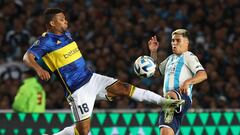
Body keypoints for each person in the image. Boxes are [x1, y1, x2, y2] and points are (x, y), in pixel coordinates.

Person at [23, 8, 184, 135]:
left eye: (65, 18)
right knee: (83, 131)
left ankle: (166, 102)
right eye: (61, 19)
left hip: (91, 78)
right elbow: (27, 56)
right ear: (52, 23)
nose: (66, 21)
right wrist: (38, 69)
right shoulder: (45, 41)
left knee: (124, 88)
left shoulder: (66, 34)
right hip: (77, 90)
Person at [148, 29, 208, 135]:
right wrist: (153, 52)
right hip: (169, 101)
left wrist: (187, 82)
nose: (174, 43)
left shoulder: (188, 56)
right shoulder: (170, 58)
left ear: (186, 42)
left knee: (170, 95)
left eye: (178, 40)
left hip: (181, 97)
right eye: (172, 40)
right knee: (165, 131)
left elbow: (203, 74)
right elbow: (156, 73)